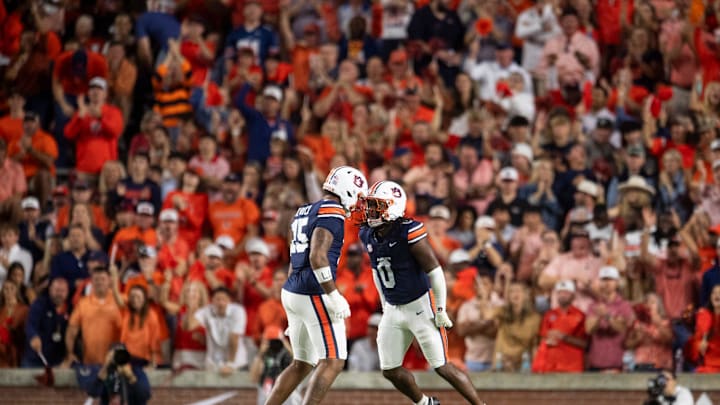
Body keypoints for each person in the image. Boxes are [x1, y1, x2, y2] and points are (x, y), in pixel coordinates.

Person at [359, 180, 485, 405]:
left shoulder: (408, 231)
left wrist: (440, 309)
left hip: (420, 306)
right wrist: (385, 303)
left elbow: (435, 271)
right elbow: (377, 272)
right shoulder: (368, 233)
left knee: (441, 366)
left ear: (393, 207)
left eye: (376, 205)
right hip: (393, 308)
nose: (370, 210)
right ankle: (424, 402)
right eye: (370, 205)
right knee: (389, 369)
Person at [265, 166, 368, 405]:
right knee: (333, 360)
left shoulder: (304, 210)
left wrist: (296, 311)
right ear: (348, 190)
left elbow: (295, 258)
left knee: (301, 363)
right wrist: (333, 295)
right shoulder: (332, 211)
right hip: (314, 291)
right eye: (359, 196)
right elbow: (317, 257)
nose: (358, 203)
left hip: (293, 288)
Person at [64, 266, 122, 367]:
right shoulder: (83, 303)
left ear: (109, 281)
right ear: (91, 282)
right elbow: (71, 331)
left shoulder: (121, 301)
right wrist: (70, 353)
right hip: (90, 363)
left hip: (116, 363)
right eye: (96, 279)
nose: (99, 282)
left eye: (103, 279)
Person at [585, 266, 635, 371]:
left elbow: (622, 329)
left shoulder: (624, 305)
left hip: (617, 362)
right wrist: (599, 317)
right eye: (604, 279)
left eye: (610, 280)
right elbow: (589, 330)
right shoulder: (593, 305)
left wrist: (607, 316)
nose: (607, 283)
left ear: (617, 282)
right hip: (596, 362)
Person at [532, 280, 587, 373]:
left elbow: (585, 343)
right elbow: (542, 339)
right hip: (551, 367)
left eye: (566, 292)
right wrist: (547, 341)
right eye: (560, 292)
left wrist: (563, 337)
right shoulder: (549, 315)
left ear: (573, 295)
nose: (563, 295)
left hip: (572, 367)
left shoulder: (581, 316)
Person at [194, 286, 248, 374]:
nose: (220, 303)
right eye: (217, 299)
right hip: (213, 363)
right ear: (212, 301)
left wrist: (230, 364)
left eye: (224, 299)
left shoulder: (238, 311)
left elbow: (234, 337)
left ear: (229, 300)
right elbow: (190, 325)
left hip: (236, 362)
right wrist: (192, 305)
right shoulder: (207, 310)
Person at [456, 271, 503, 372]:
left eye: (485, 283)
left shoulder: (499, 305)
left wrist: (473, 326)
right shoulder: (467, 306)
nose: (481, 287)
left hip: (494, 360)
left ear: (492, 285)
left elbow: (495, 332)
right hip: (472, 359)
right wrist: (487, 324)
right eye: (478, 284)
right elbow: (461, 331)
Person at [21, 277, 70, 367]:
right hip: (35, 360)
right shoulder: (39, 304)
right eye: (57, 290)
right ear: (50, 289)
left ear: (67, 292)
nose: (59, 293)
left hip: (58, 361)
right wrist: (33, 336)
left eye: (62, 291)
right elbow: (30, 324)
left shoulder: (71, 308)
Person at [250, 325, 300, 405]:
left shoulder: (286, 355)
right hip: (267, 392)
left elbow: (299, 367)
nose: (274, 345)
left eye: (276, 341)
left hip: (287, 394)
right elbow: (253, 378)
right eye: (270, 341)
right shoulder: (262, 356)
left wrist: (285, 345)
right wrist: (260, 354)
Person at [694, 284, 720, 373]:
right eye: (714, 293)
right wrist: (703, 340)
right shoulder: (704, 315)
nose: (717, 295)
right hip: (708, 366)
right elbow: (698, 342)